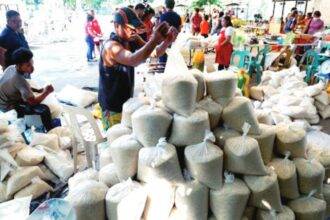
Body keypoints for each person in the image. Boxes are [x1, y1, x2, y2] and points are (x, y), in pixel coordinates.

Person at [99, 7, 177, 130]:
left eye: (135, 28)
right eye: (129, 28)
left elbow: (154, 53)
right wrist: (154, 40)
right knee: (116, 142)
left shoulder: (132, 38)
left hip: (127, 102)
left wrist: (166, 42)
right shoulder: (111, 46)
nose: (133, 31)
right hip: (113, 107)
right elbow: (133, 60)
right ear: (116, 26)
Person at [0, 48, 54, 131]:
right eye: (28, 65)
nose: (32, 68)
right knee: (44, 109)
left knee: (31, 91)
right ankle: (50, 130)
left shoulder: (11, 68)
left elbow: (18, 86)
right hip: (7, 107)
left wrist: (37, 90)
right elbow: (33, 102)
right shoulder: (19, 79)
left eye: (32, 63)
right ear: (19, 65)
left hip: (4, 98)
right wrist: (47, 92)